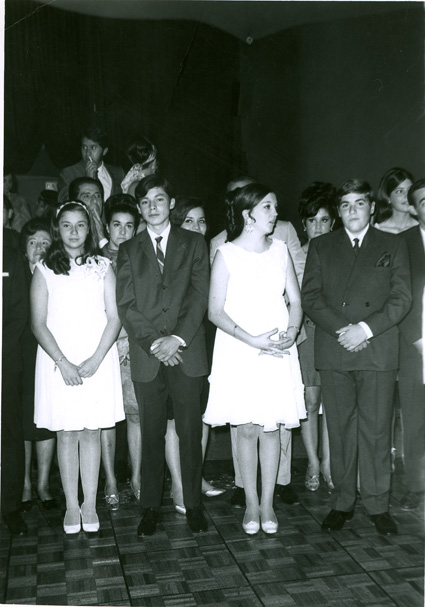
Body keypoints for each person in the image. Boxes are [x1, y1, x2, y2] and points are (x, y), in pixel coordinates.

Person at [302, 179, 411, 536]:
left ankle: (378, 504)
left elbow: (401, 298)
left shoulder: (392, 244)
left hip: (376, 349)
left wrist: (364, 329)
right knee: (340, 430)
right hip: (336, 349)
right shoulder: (321, 245)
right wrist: (343, 330)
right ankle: (343, 502)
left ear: (371, 207)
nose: (352, 210)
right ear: (338, 210)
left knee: (377, 431)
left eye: (359, 203)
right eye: (346, 204)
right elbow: (311, 297)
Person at [203, 183, 306, 535]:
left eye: (274, 206)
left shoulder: (280, 250)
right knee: (246, 429)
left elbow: (295, 300)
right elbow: (215, 311)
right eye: (268, 207)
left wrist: (291, 331)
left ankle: (267, 504)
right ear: (248, 214)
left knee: (271, 427)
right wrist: (252, 340)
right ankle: (250, 504)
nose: (275, 213)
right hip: (240, 349)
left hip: (276, 348)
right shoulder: (225, 254)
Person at [116, 175, 210, 536]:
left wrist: (177, 339)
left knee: (190, 432)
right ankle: (150, 507)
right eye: (145, 202)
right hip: (148, 355)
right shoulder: (129, 249)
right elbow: (127, 305)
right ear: (140, 209)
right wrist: (157, 343)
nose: (152, 206)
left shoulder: (194, 242)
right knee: (151, 434)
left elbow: (199, 295)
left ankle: (194, 504)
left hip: (187, 351)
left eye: (159, 199)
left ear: (171, 204)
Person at [31, 201, 124, 534]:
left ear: (89, 229)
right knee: (67, 433)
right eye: (67, 225)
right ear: (58, 229)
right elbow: (38, 323)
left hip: (96, 358)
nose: (74, 231)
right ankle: (72, 505)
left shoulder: (103, 266)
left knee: (91, 431)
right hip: (60, 362)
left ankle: (89, 504)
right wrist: (63, 362)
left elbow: (114, 317)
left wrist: (97, 358)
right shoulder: (44, 269)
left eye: (80, 225)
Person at [165, 196, 226, 514]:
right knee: (176, 419)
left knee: (201, 417)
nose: (197, 227)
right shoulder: (170, 258)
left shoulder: (215, 257)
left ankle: (194, 477)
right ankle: (178, 484)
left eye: (202, 221)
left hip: (210, 343)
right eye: (189, 221)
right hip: (179, 346)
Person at [101, 194, 141, 507]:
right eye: (117, 225)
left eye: (129, 226)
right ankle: (111, 479)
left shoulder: (142, 258)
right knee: (105, 416)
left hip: (134, 346)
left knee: (136, 414)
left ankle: (138, 477)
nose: (123, 232)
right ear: (107, 227)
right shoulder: (94, 261)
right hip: (103, 346)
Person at [298, 183, 336, 491]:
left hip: (334, 333)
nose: (318, 227)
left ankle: (329, 462)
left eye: (324, 220)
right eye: (312, 221)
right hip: (307, 332)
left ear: (332, 222)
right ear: (304, 224)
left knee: (332, 400)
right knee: (311, 400)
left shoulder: (340, 253)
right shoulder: (294, 256)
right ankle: (312, 461)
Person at [20, 219, 57, 511]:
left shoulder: (56, 274)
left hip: (48, 355)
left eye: (45, 242)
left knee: (45, 418)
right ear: (25, 248)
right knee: (22, 419)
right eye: (33, 242)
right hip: (19, 355)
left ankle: (43, 483)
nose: (39, 248)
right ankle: (24, 483)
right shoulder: (16, 275)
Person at [397, 179, 425, 511]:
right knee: (415, 419)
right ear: (414, 209)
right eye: (424, 201)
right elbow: (397, 297)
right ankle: (417, 486)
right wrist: (417, 340)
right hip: (416, 346)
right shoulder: (402, 244)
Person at [1, 228, 28, 534]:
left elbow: (19, 312)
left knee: (8, 434)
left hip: (4, 361)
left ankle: (10, 507)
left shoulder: (10, 256)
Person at [58, 126, 124, 203]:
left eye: (93, 148)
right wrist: (87, 181)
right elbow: (65, 203)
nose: (87, 153)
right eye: (84, 147)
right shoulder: (68, 173)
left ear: (104, 151)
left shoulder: (118, 173)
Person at [374, 167, 417, 234]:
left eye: (410, 189)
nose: (407, 195)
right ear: (388, 198)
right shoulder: (379, 230)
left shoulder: (421, 228)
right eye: (399, 191)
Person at [69, 176, 107, 247]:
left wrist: (101, 236)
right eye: (87, 196)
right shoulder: (70, 232)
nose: (94, 201)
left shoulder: (110, 231)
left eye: (98, 196)